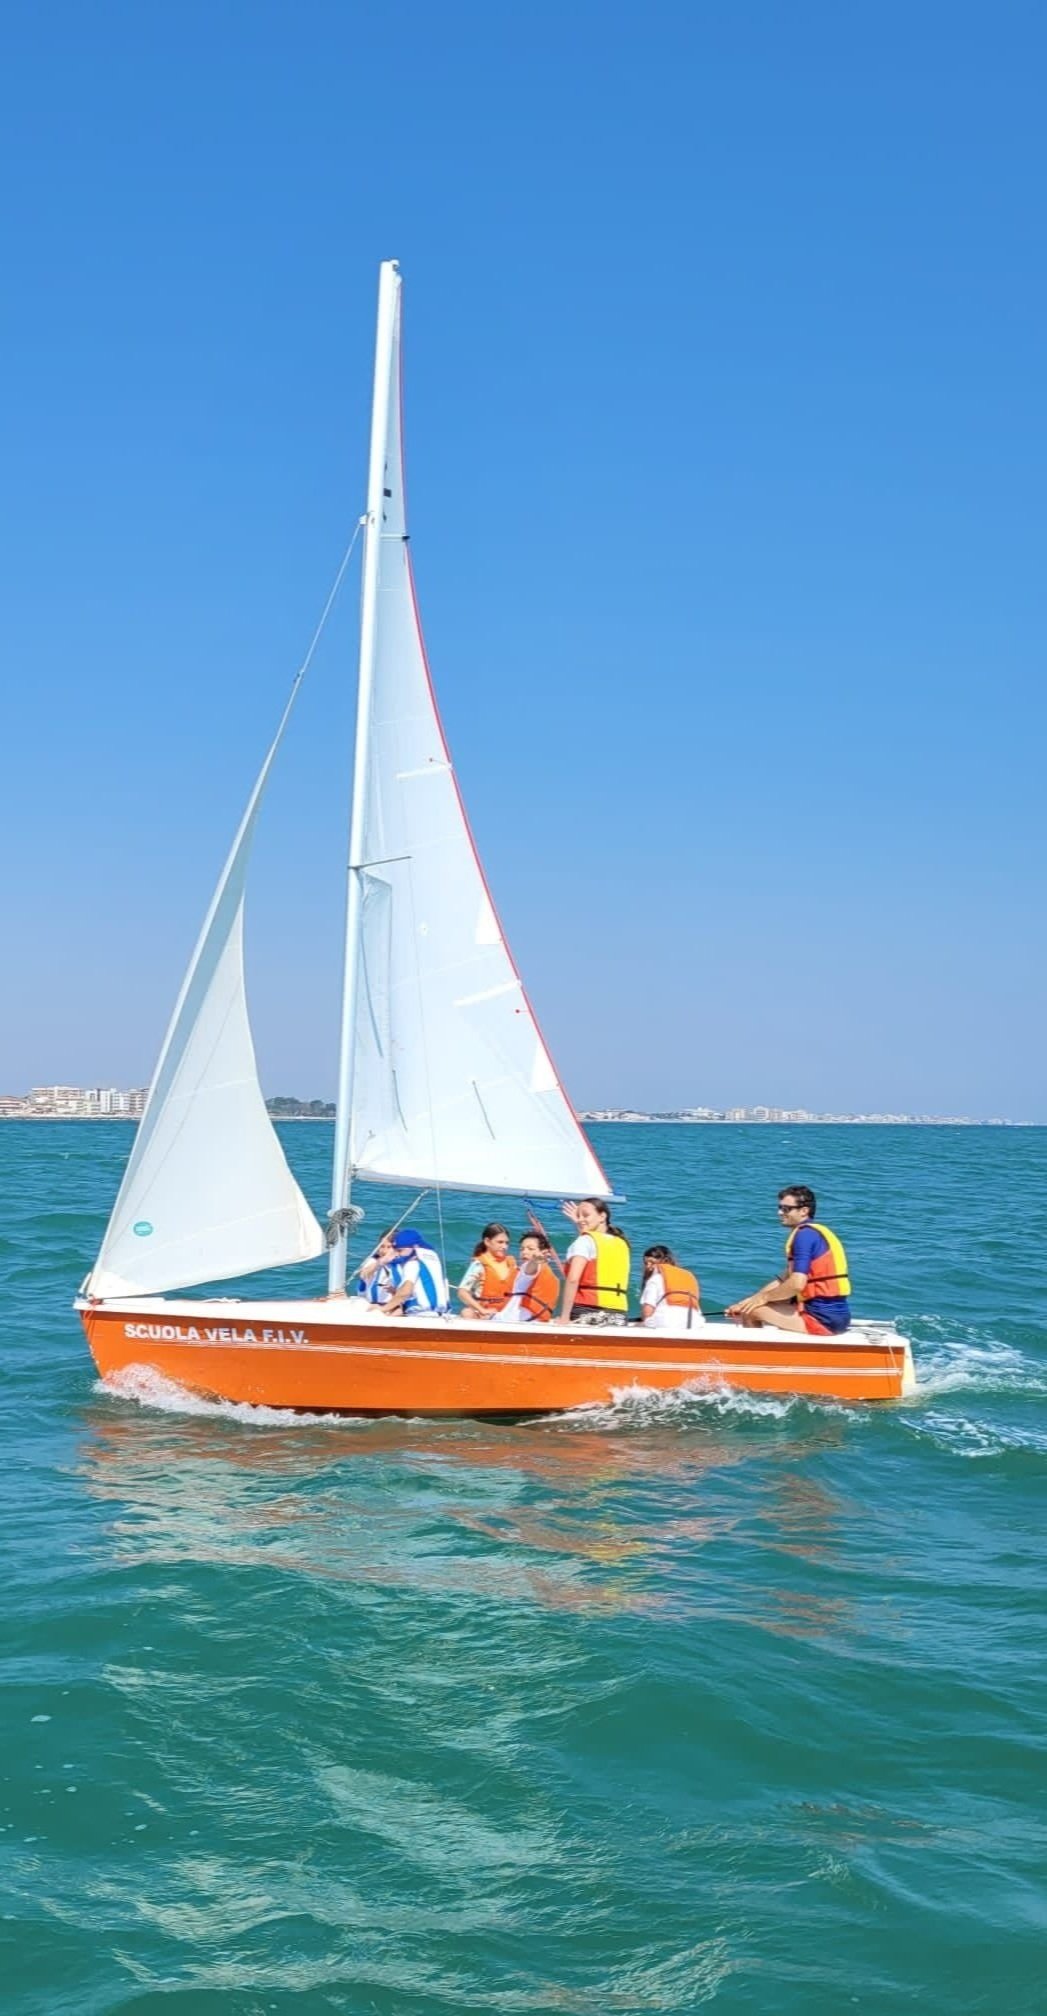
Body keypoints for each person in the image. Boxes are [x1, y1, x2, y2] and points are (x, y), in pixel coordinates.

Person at [726, 1186, 852, 1334]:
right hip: (836, 1316)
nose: (779, 1212)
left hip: (823, 1319)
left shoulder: (804, 1236)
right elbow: (783, 1280)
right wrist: (748, 1301)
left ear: (804, 1211)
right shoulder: (813, 1233)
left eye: (786, 1209)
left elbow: (797, 1284)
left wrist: (761, 1300)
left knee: (752, 1312)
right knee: (752, 1306)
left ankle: (756, 1356)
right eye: (780, 1207)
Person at [559, 1199, 630, 1325]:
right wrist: (582, 1223)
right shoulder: (622, 1244)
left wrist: (564, 1317)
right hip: (619, 1314)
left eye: (585, 1215)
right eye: (578, 1216)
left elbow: (573, 1279)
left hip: (587, 1309)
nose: (580, 1219)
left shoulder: (584, 1241)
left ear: (602, 1216)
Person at [379, 1227, 450, 1318]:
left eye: (400, 1250)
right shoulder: (433, 1255)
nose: (398, 1254)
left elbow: (406, 1291)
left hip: (420, 1314)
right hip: (442, 1314)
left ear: (414, 1247)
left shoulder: (412, 1261)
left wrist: (383, 1309)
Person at [494, 1231, 560, 1323]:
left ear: (543, 1252)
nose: (524, 1252)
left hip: (515, 1321)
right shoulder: (529, 1269)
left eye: (530, 1249)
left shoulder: (531, 1267)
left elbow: (531, 1269)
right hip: (525, 1320)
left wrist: (537, 1259)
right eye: (522, 1249)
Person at [457, 1223, 516, 1319]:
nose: (505, 1246)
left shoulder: (511, 1263)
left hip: (506, 1314)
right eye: (500, 1242)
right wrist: (482, 1310)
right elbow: (462, 1292)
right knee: (466, 1312)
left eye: (507, 1243)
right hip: (485, 1315)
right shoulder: (479, 1265)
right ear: (487, 1242)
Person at [640, 1245, 703, 1331]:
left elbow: (648, 1311)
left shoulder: (655, 1279)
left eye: (652, 1262)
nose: (648, 1266)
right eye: (646, 1263)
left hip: (666, 1321)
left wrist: (645, 1321)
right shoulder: (689, 1276)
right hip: (695, 1322)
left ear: (665, 1261)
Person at [357, 1232, 397, 1307]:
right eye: (382, 1246)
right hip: (374, 1304)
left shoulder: (400, 1264)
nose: (384, 1250)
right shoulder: (373, 1261)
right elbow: (363, 1274)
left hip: (393, 1306)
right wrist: (381, 1261)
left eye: (389, 1247)